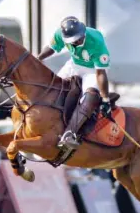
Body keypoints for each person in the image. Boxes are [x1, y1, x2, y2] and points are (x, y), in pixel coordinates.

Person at [37, 16, 111, 150]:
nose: (78, 40)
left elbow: (100, 73)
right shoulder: (60, 34)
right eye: (74, 40)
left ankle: (70, 133)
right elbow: (52, 47)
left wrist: (105, 99)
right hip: (74, 65)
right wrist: (38, 58)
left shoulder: (96, 40)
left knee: (90, 95)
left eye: (79, 37)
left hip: (93, 70)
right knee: (53, 87)